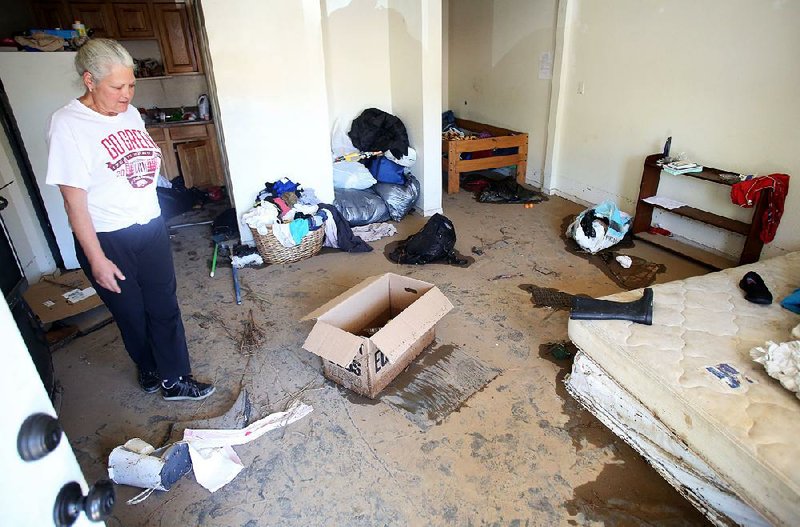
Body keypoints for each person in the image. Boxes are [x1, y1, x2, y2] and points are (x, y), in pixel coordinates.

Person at [45, 39, 214, 401]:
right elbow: (74, 204)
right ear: (90, 81)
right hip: (108, 238)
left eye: (131, 85)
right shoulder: (68, 125)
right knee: (131, 314)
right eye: (117, 87)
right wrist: (96, 259)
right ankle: (148, 367)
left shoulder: (130, 113)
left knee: (164, 306)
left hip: (150, 227)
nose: (127, 94)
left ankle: (174, 378)